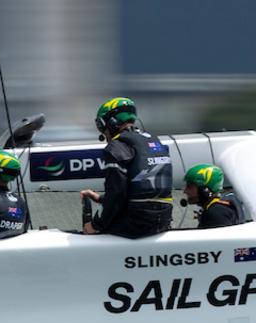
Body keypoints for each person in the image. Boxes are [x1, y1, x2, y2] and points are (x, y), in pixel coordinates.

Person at [80, 97, 172, 238]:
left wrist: (95, 225)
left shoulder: (116, 147)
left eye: (101, 127)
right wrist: (100, 198)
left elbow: (117, 193)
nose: (104, 134)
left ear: (110, 123)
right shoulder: (153, 139)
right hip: (163, 220)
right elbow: (142, 190)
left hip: (137, 224)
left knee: (90, 231)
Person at [181, 163, 242, 229]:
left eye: (189, 187)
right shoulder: (220, 208)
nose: (185, 191)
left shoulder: (217, 213)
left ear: (205, 190)